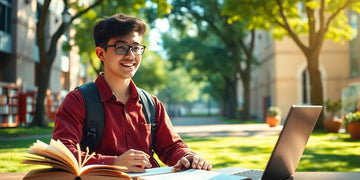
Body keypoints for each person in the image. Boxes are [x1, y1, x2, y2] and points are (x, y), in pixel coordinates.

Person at [52, 13, 212, 173]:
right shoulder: (78, 101)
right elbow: (61, 154)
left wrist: (188, 156)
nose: (131, 55)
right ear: (101, 53)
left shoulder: (151, 104)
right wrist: (113, 163)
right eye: (121, 47)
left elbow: (171, 147)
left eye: (136, 48)